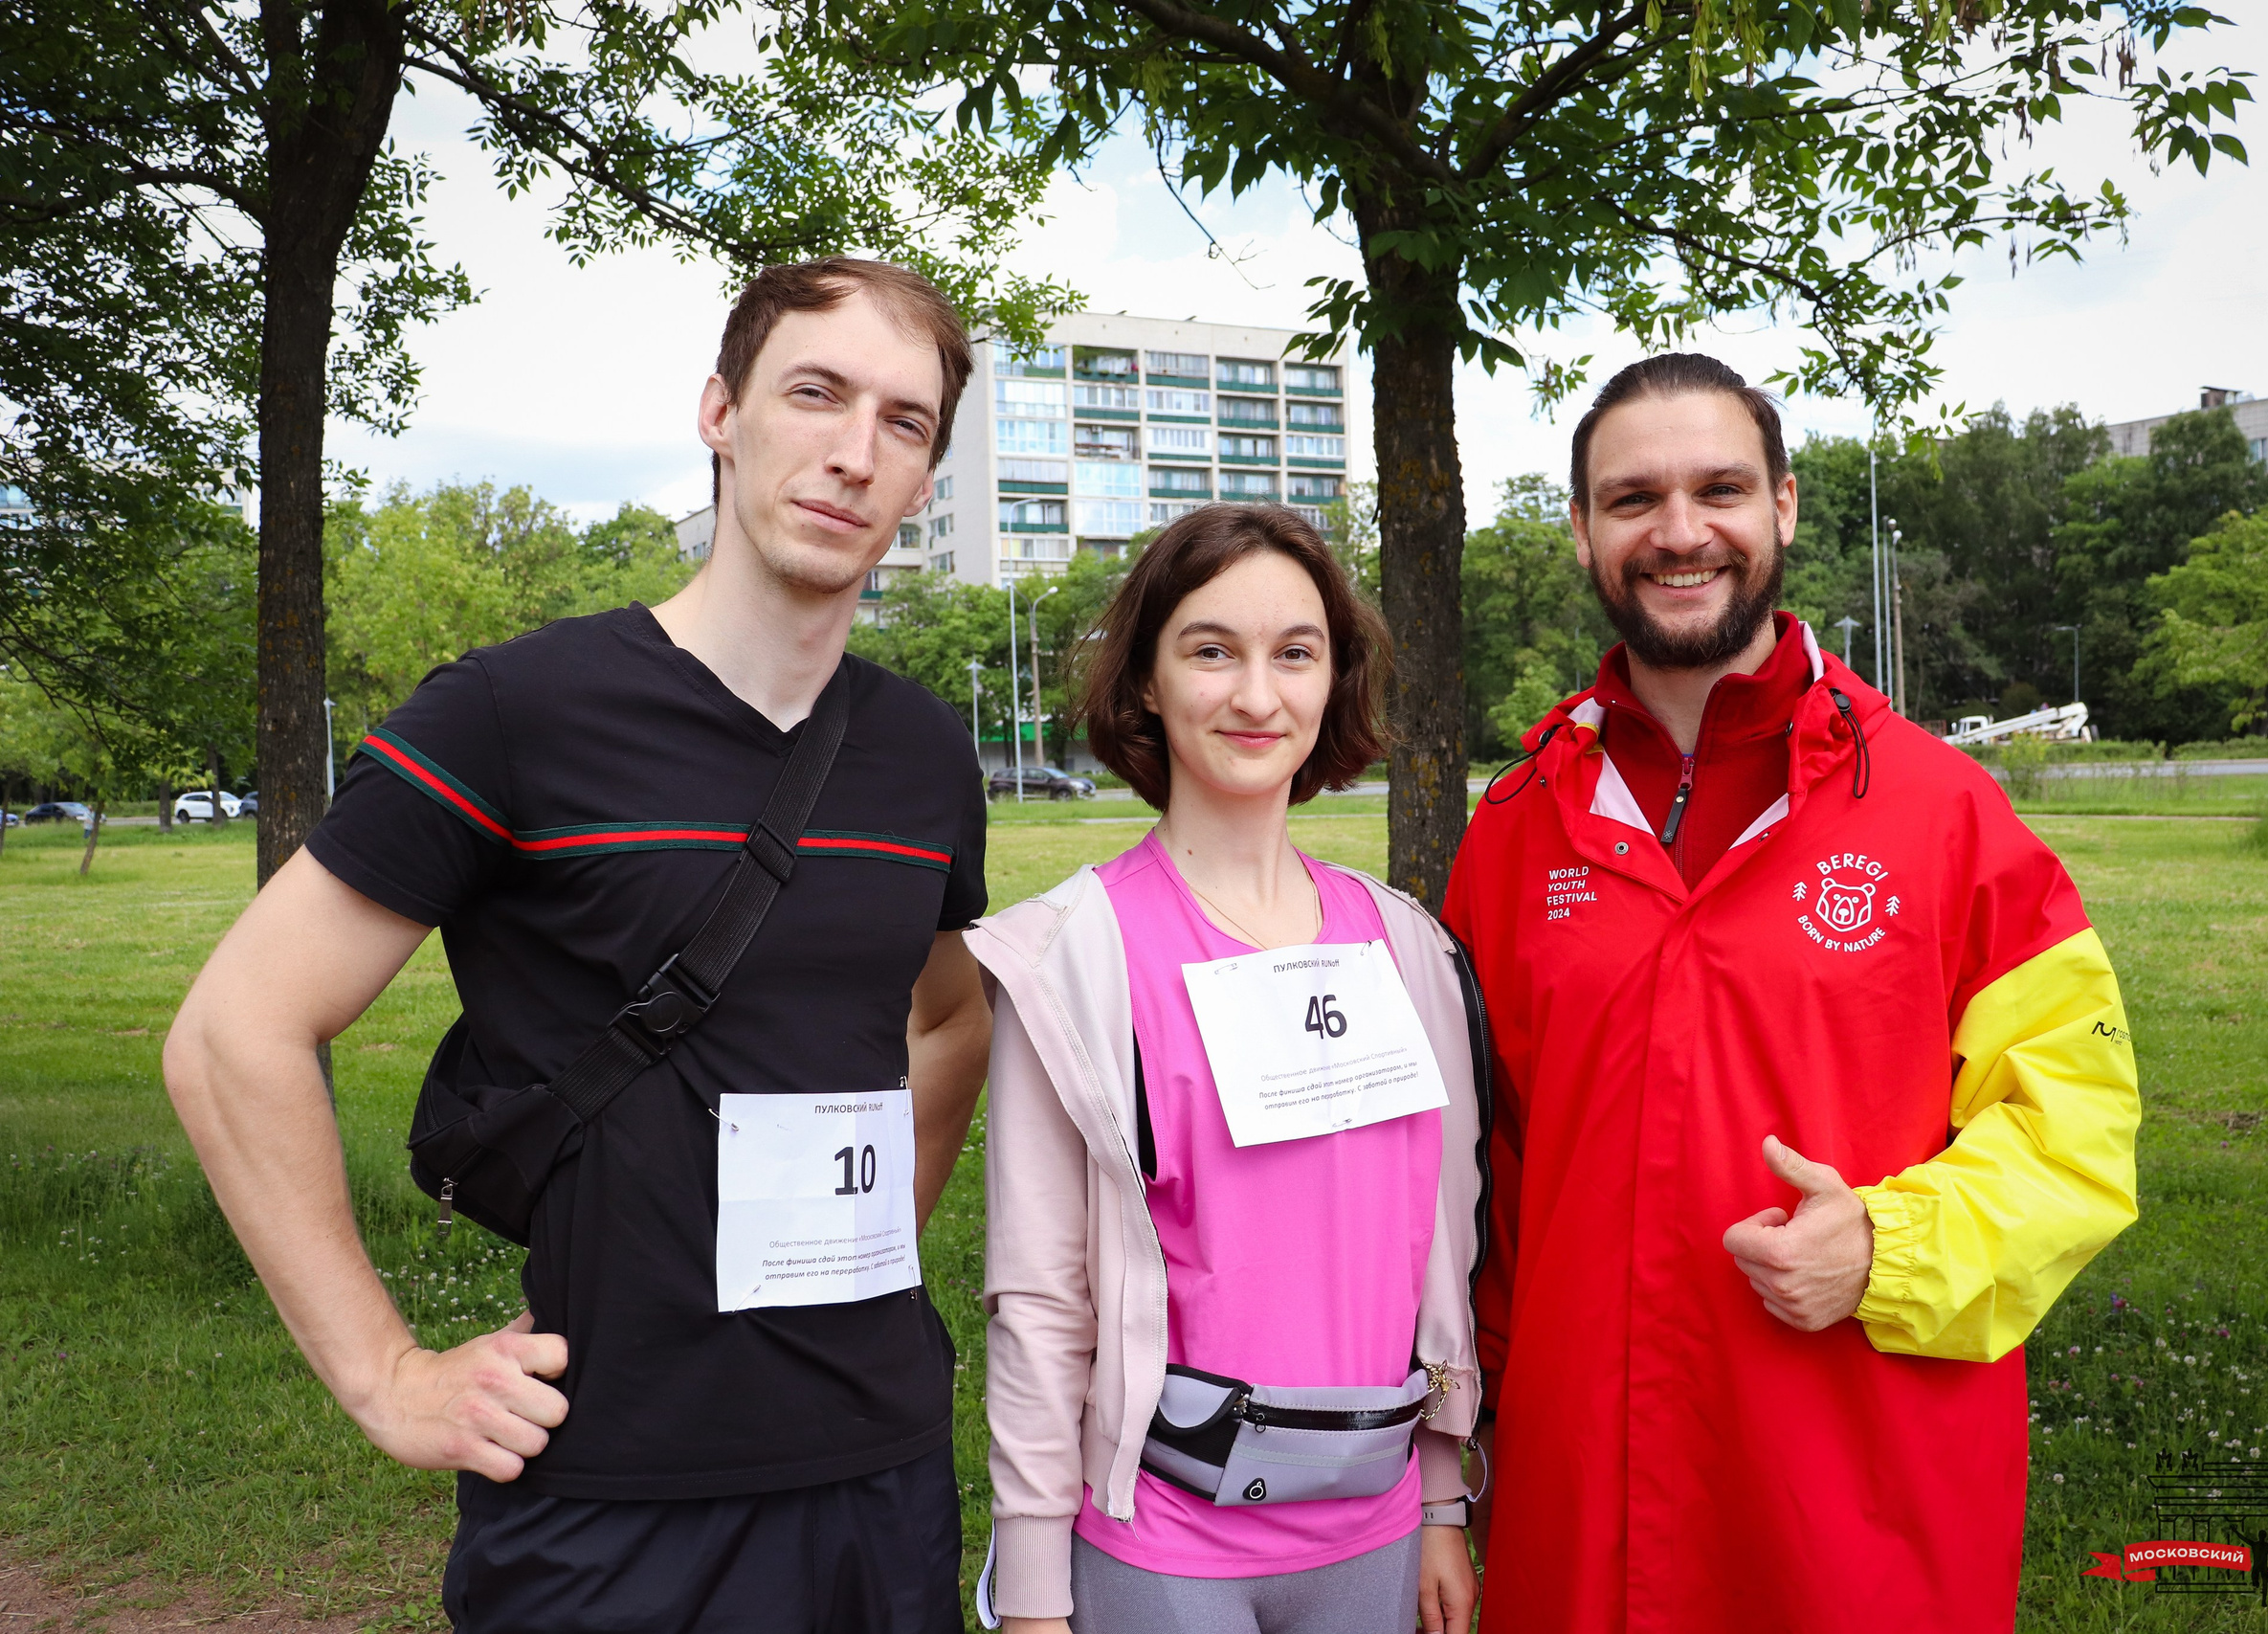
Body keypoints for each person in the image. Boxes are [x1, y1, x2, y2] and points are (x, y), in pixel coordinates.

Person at [163, 258, 994, 1633]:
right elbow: (233, 1030)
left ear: (924, 478)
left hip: (880, 1474)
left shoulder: (922, 752)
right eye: (815, 392)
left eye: (905, 424)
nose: (854, 452)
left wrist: (864, 1233)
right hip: (609, 1492)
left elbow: (949, 1016)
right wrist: (383, 1372)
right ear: (720, 413)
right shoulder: (511, 710)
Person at [1444, 354, 2142, 1632]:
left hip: (1858, 1510)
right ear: (1583, 530)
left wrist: (1891, 1243)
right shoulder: (1514, 828)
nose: (1679, 530)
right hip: (1583, 1513)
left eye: (1720, 487)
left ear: (1786, 508)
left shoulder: (1945, 813)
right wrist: (1458, 1447)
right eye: (1631, 497)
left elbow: (2076, 1132)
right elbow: (1474, 1182)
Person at [967, 504, 1485, 1634]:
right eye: (1212, 650)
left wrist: (1442, 1498)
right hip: (1164, 1549)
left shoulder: (1405, 948)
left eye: (1294, 652)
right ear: (1147, 680)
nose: (1257, 696)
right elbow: (1039, 1298)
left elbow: (1432, 1244)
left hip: (1379, 1530)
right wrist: (1035, 1595)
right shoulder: (1073, 956)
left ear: (1333, 678)